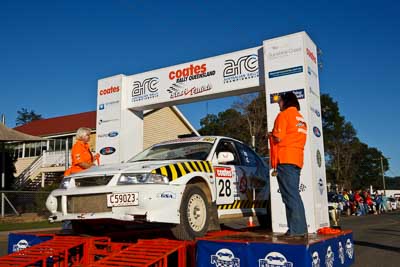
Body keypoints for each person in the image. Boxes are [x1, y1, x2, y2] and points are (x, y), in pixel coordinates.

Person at [269, 92, 308, 237]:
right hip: (297, 159)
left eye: (280, 101)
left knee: (290, 196)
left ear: (285, 102)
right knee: (294, 195)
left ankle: (296, 230)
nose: (278, 104)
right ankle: (300, 228)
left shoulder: (283, 115)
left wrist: (271, 134)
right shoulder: (301, 118)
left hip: (285, 159)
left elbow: (278, 137)